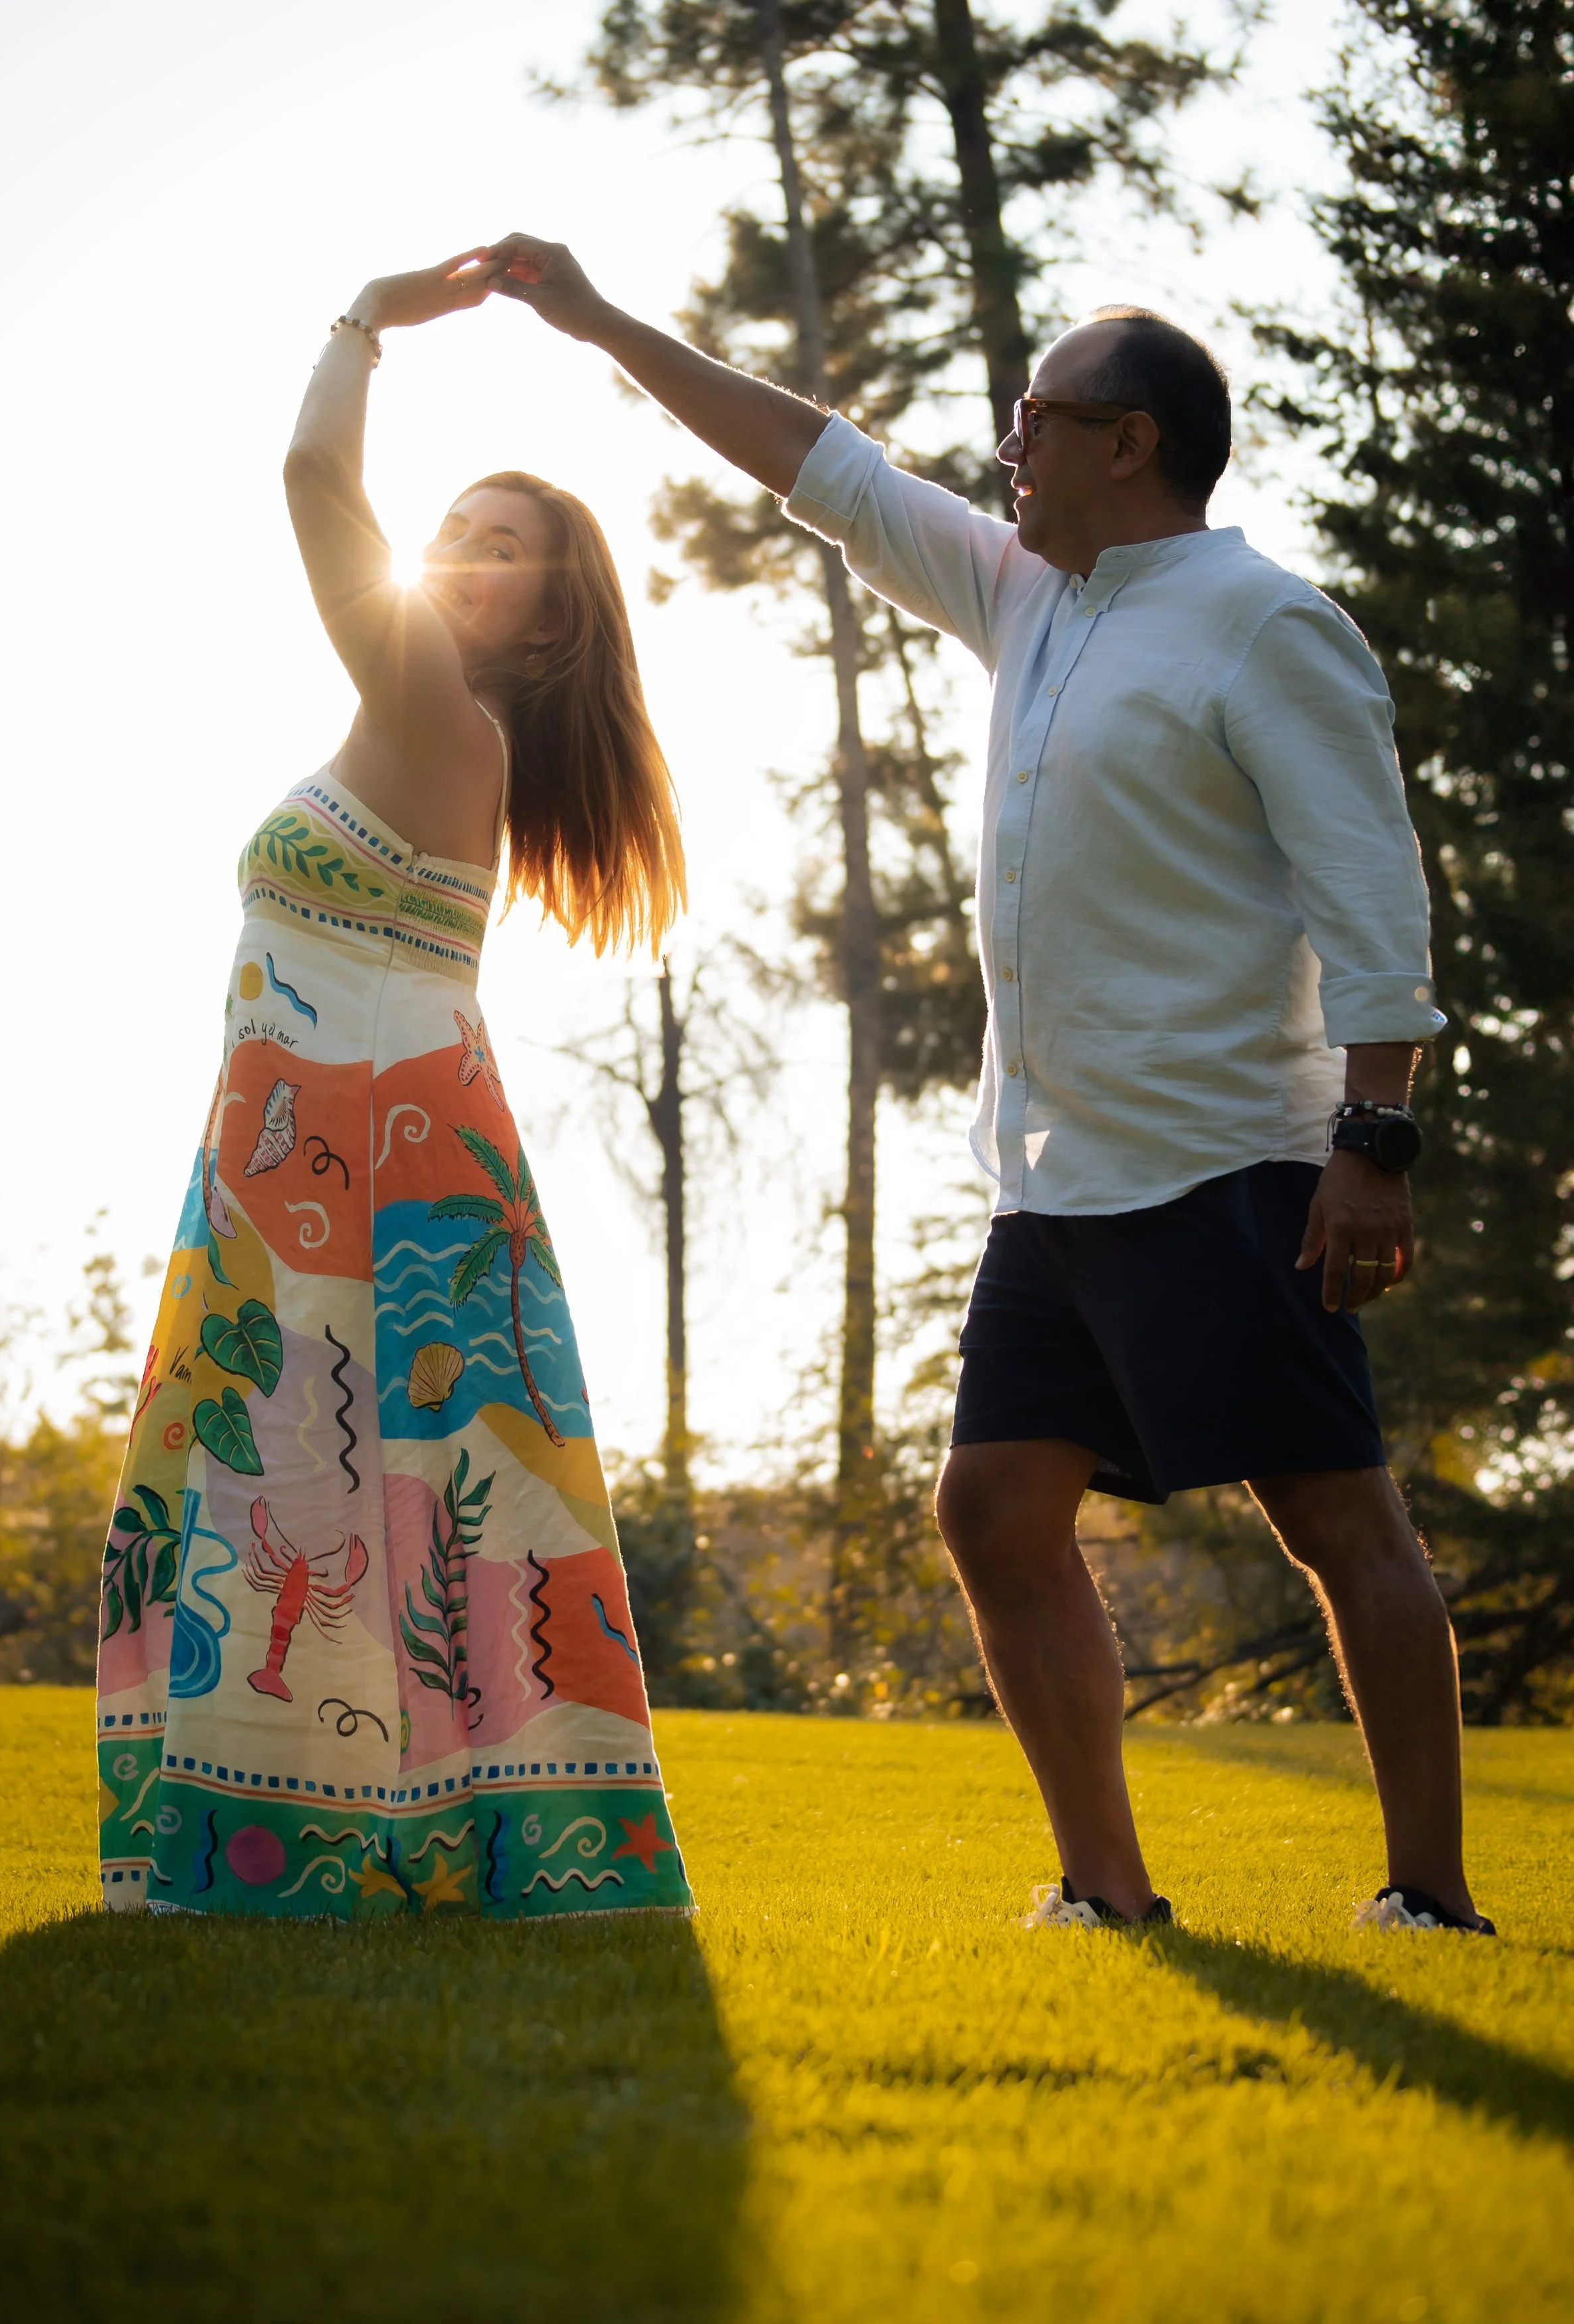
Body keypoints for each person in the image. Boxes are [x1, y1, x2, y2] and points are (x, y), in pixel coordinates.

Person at [475, 231, 1492, 1937]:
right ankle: (1107, 1894)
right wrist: (594, 322)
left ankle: (1432, 1899)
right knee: (993, 1510)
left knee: (1333, 1518)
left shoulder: (1265, 626)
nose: (1008, 442)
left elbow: (1370, 894)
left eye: (1039, 415)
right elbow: (820, 463)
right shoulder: (1027, 594)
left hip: (1229, 1160)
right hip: (1054, 1175)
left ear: (1132, 442)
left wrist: (1370, 1145)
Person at [95, 252, 692, 1923]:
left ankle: (336, 1858)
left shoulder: (437, 712)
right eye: (456, 529)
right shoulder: (425, 721)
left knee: (338, 1500)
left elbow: (309, 480)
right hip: (328, 1157)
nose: (452, 558)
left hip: (361, 1166)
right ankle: (350, 1853)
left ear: (551, 614)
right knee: (363, 1506)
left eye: (496, 549)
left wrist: (365, 310)